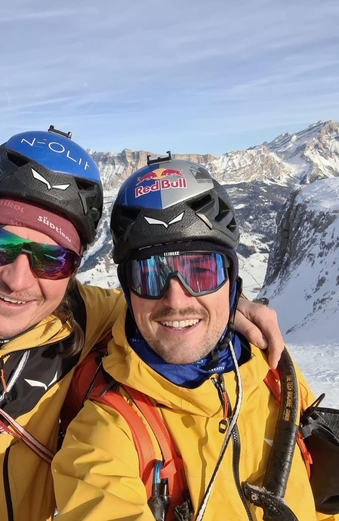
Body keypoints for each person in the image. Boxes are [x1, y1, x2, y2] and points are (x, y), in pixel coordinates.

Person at [0, 128, 283, 521]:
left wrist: (227, 301)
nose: (17, 281)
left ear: (73, 271)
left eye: (51, 259)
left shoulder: (81, 318)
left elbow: (160, 308)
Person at [52, 156, 336, 521]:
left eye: (200, 272)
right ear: (127, 291)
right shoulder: (106, 432)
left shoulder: (274, 371)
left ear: (232, 281)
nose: (176, 300)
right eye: (150, 275)